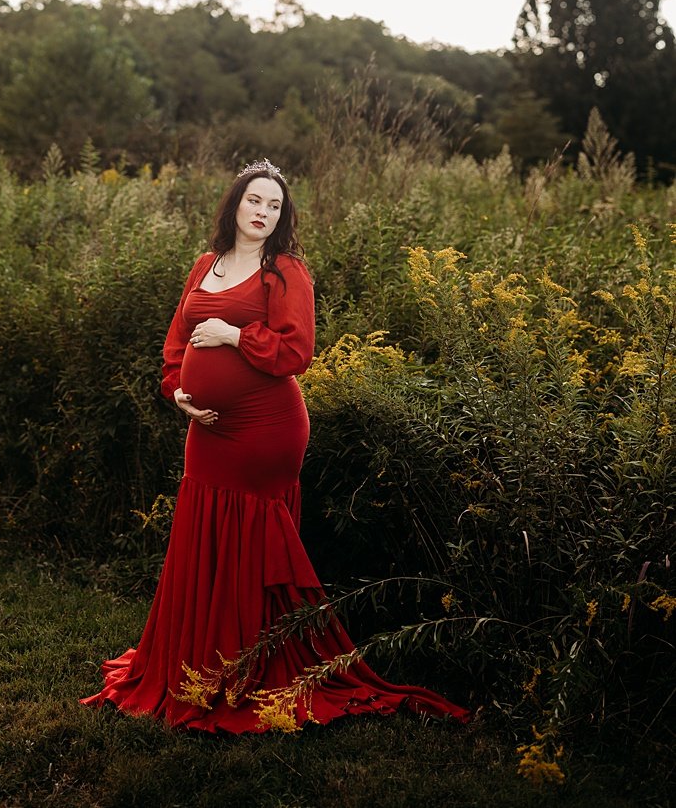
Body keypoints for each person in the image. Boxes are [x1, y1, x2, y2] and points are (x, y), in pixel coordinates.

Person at [82, 159, 470, 732]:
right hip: (207, 431)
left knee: (249, 539)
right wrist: (179, 394)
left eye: (274, 206)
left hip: (267, 428)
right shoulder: (204, 265)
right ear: (234, 205)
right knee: (203, 533)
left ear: (282, 217)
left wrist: (232, 334)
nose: (262, 212)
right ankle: (195, 662)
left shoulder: (285, 272)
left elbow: (297, 353)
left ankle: (250, 668)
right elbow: (174, 345)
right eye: (254, 201)